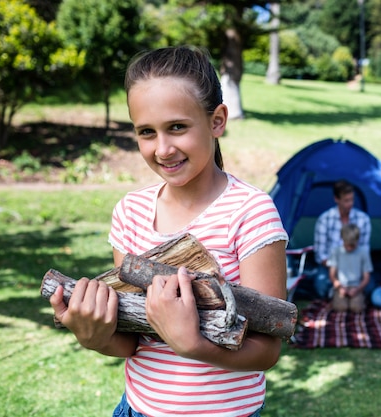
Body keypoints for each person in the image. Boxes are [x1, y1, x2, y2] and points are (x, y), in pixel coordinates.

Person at [49, 46, 288, 417]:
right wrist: (94, 336)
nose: (163, 149)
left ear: (217, 121)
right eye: (147, 132)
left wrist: (191, 344)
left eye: (177, 127)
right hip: (139, 409)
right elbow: (130, 341)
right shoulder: (130, 213)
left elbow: (267, 350)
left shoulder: (250, 212)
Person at [313, 180, 371, 299]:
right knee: (321, 287)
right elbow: (321, 254)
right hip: (331, 266)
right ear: (336, 199)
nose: (350, 203)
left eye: (352, 200)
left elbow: (364, 249)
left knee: (370, 287)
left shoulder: (363, 219)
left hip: (356, 266)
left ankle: (345, 294)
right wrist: (338, 272)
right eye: (346, 200)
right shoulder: (324, 220)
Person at [328, 223, 372, 313]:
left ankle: (361, 298)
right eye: (347, 245)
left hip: (356, 286)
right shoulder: (336, 251)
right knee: (341, 308)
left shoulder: (363, 252)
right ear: (342, 239)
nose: (349, 248)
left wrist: (357, 289)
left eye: (352, 246)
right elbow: (332, 275)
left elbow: (366, 278)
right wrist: (340, 287)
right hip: (341, 286)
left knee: (357, 308)